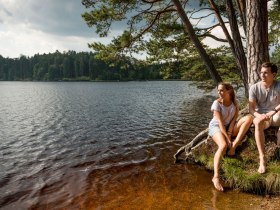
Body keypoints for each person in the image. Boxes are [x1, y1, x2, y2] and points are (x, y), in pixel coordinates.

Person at [209, 83, 253, 191]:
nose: (219, 93)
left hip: (229, 127)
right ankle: (216, 177)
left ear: (229, 91)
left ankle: (235, 145)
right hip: (216, 127)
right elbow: (219, 123)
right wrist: (227, 138)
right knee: (223, 146)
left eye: (222, 90)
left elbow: (234, 120)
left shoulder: (235, 102)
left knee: (249, 118)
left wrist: (230, 134)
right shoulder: (216, 103)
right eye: (218, 90)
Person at [249, 62, 280, 174]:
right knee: (257, 122)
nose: (262, 75)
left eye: (266, 73)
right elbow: (251, 109)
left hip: (276, 115)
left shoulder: (279, 85)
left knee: (277, 118)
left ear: (274, 74)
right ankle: (262, 158)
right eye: (261, 73)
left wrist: (274, 111)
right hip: (262, 116)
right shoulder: (254, 88)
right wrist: (260, 116)